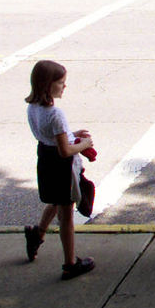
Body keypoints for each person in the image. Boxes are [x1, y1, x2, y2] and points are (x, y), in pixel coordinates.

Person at [23, 60, 96, 280]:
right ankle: (70, 263)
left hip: (45, 159)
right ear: (48, 85)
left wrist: (71, 133)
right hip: (61, 166)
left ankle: (38, 234)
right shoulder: (55, 113)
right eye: (61, 83)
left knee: (55, 201)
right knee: (66, 215)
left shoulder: (32, 108)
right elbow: (65, 150)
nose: (64, 86)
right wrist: (84, 144)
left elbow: (50, 136)